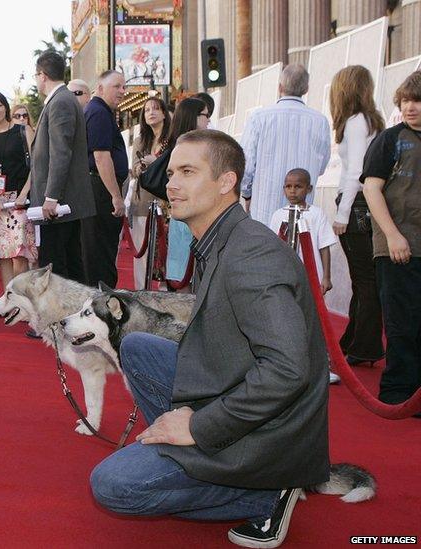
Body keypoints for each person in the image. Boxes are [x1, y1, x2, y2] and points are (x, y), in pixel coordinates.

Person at [90, 130, 330, 549]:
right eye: (171, 173)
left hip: (269, 432)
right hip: (235, 388)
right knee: (137, 345)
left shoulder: (251, 255)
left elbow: (288, 370)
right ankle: (183, 454)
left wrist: (200, 425)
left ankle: (263, 491)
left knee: (112, 487)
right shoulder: (219, 240)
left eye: (188, 172)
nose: (172, 184)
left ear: (226, 182)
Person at [360, 70, 421, 406]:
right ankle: (400, 393)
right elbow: (371, 188)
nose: (410, 107)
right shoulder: (389, 139)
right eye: (405, 100)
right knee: (402, 323)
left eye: (417, 100)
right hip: (397, 247)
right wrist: (393, 235)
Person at [329, 65, 386, 366]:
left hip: (356, 206)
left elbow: (355, 172)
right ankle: (355, 342)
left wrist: (341, 213)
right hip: (368, 204)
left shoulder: (354, 122)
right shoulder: (374, 120)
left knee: (364, 280)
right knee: (366, 279)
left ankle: (363, 346)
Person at [28, 51, 96, 283]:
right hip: (63, 203)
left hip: (60, 206)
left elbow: (60, 152)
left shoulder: (60, 102)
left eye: (36, 75)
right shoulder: (64, 100)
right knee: (68, 262)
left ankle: (62, 317)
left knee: (58, 266)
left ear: (42, 75)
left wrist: (51, 197)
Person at [241, 64, 331, 226]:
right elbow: (322, 167)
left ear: (280, 87)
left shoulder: (260, 118)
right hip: (303, 211)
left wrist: (247, 194)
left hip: (264, 208)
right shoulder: (320, 121)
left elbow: (246, 164)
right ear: (306, 89)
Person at [0, 90, 36, 286]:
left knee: (19, 254)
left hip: (19, 200)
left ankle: (24, 302)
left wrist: (24, 193)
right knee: (3, 254)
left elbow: (36, 166)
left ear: (6, 107)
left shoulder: (22, 131)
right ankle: (9, 300)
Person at [82, 70, 128, 287]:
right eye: (117, 86)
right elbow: (101, 157)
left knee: (100, 253)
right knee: (101, 256)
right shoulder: (99, 112)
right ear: (100, 88)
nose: (123, 91)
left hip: (99, 190)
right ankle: (103, 307)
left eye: (124, 86)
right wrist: (116, 196)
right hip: (101, 192)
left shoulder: (101, 111)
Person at [267, 168, 338, 296]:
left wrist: (326, 277)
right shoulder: (278, 215)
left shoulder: (316, 214)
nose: (292, 191)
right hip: (283, 275)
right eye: (288, 186)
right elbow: (273, 247)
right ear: (284, 189)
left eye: (298, 186)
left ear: (309, 189)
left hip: (312, 274)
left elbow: (324, 247)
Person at [164, 98, 210, 289]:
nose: (208, 120)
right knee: (184, 276)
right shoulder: (186, 149)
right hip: (188, 215)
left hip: (192, 214)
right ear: (194, 117)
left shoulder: (184, 145)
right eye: (205, 115)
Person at [127, 96, 170, 289]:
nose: (151, 112)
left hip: (166, 204)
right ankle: (140, 295)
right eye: (146, 110)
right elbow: (134, 169)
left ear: (164, 113)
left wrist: (157, 162)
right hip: (142, 202)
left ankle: (164, 294)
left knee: (165, 253)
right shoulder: (140, 140)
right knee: (141, 254)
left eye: (155, 108)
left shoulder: (172, 140)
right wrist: (144, 166)